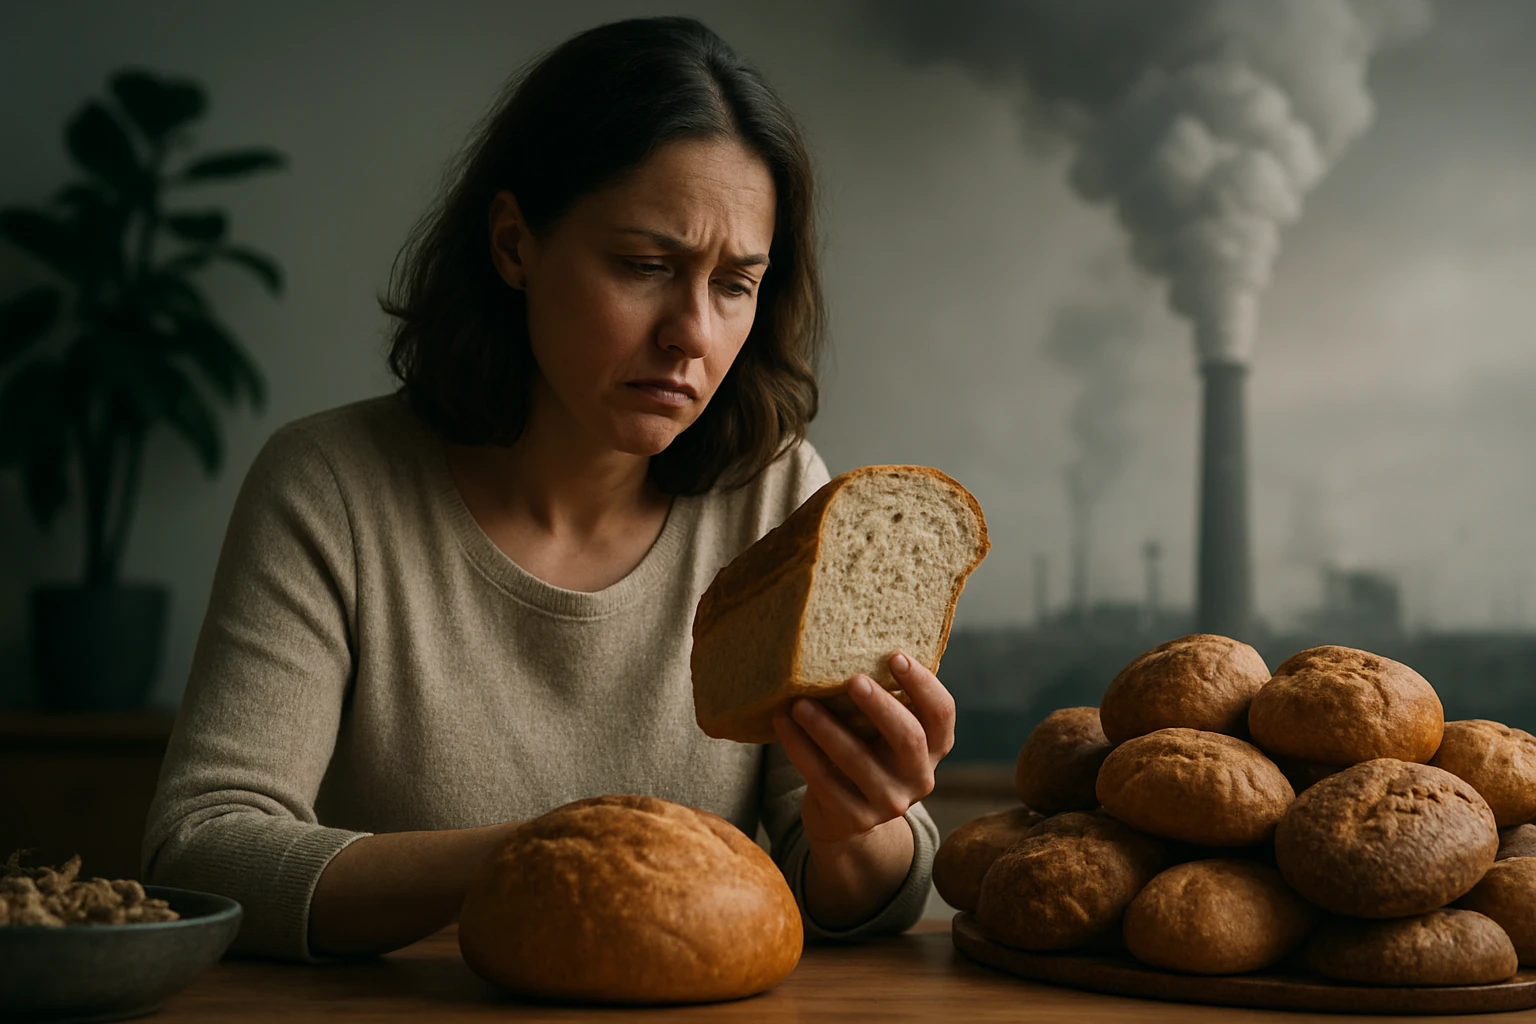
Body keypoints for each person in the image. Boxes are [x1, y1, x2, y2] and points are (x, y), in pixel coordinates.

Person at [143, 16, 951, 962]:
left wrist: (863, 821)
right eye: (645, 267)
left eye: (736, 284)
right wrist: (564, 853)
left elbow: (848, 894)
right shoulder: (330, 488)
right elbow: (200, 851)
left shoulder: (774, 499)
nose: (692, 332)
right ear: (514, 244)